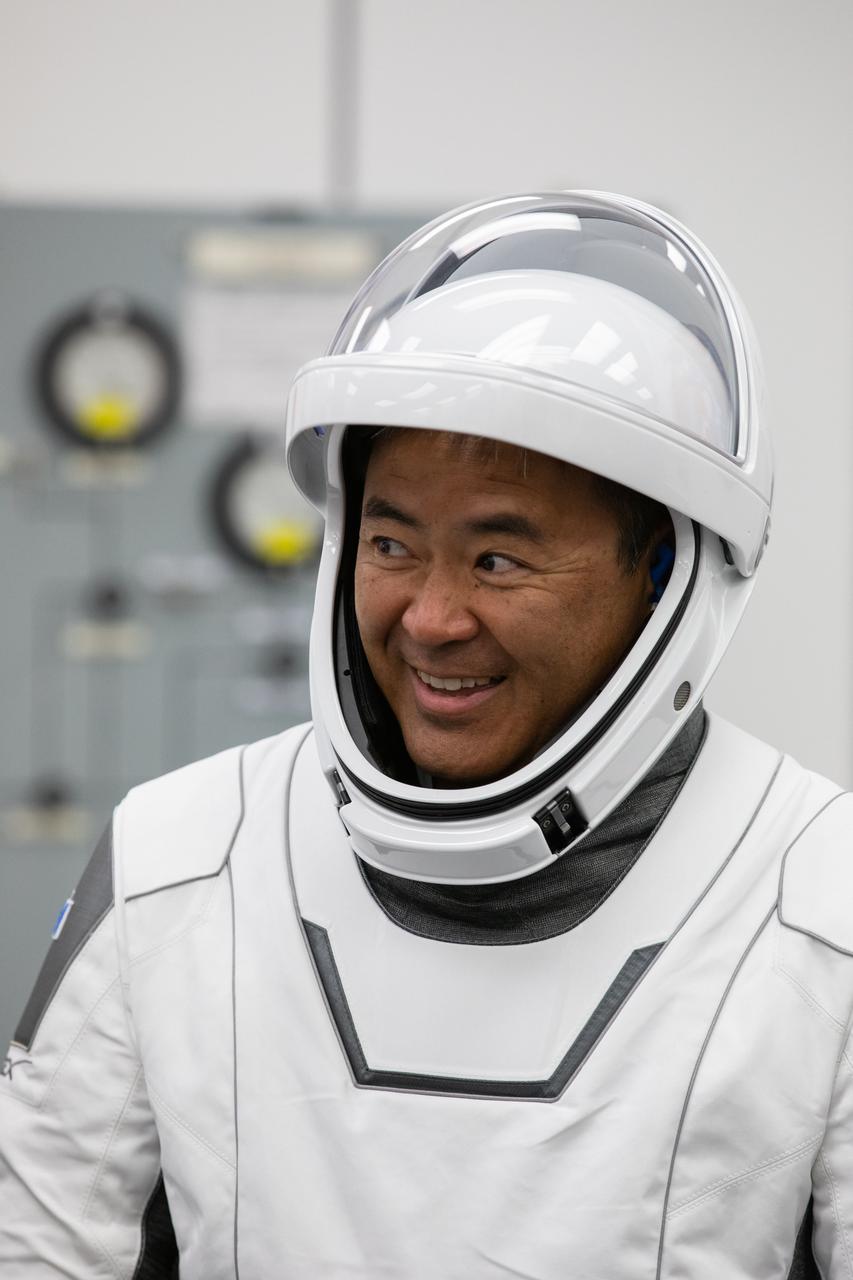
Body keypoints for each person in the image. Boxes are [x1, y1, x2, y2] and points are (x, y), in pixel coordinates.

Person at [1, 191, 850, 1280]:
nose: (433, 616)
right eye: (392, 542)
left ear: (662, 578)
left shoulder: (820, 895)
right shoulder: (181, 857)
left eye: (499, 558)